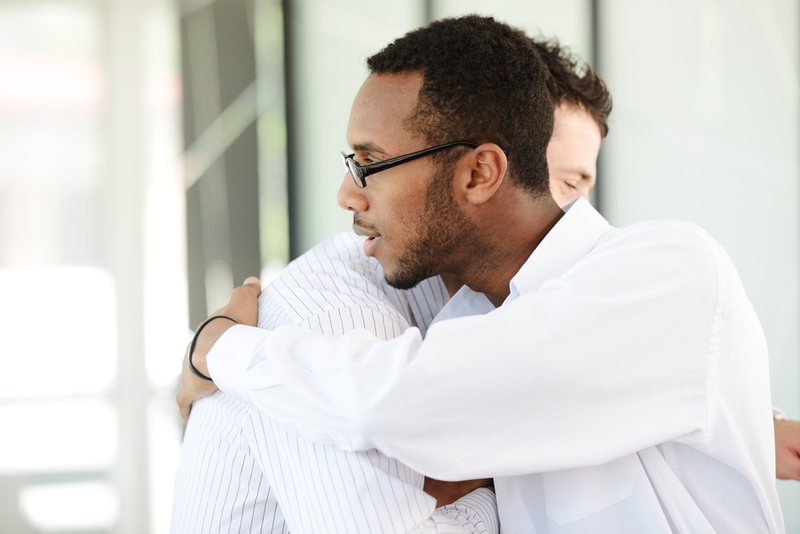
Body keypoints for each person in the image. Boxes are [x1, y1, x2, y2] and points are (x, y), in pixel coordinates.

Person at [180, 16, 784, 532]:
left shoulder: (667, 270)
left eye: (372, 163)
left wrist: (220, 349)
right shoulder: (465, 320)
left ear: (479, 174)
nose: (346, 194)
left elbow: (390, 404)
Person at [171, 34, 611, 534]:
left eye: (578, 186)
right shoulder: (332, 314)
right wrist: (500, 480)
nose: (555, 207)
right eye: (552, 177)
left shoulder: (540, 314)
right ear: (486, 171)